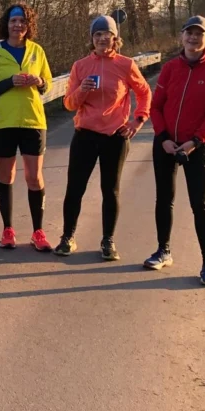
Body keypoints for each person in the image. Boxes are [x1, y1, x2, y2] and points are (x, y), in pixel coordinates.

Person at [54, 15, 151, 261]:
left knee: (111, 190)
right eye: (97, 35)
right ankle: (67, 237)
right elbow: (68, 104)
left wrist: (137, 121)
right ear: (91, 39)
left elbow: (144, 92)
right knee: (75, 188)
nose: (102, 39)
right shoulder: (81, 66)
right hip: (85, 135)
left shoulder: (126, 64)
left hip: (115, 136)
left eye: (106, 35)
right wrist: (81, 90)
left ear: (115, 38)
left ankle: (108, 240)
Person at [144, 15, 205, 286]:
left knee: (200, 205)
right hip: (166, 143)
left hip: (197, 146)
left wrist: (195, 141)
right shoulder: (170, 69)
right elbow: (156, 106)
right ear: (182, 37)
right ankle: (163, 250)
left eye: (199, 34)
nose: (193, 38)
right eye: (189, 33)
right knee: (163, 199)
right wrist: (164, 137)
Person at [0, 2, 54, 251]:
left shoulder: (37, 51)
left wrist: (38, 80)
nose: (17, 25)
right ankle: (8, 229)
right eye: (13, 21)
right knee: (6, 176)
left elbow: (49, 84)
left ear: (28, 25)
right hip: (4, 122)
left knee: (34, 177)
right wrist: (9, 82)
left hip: (33, 120)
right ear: (6, 25)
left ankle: (38, 232)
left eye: (22, 21)